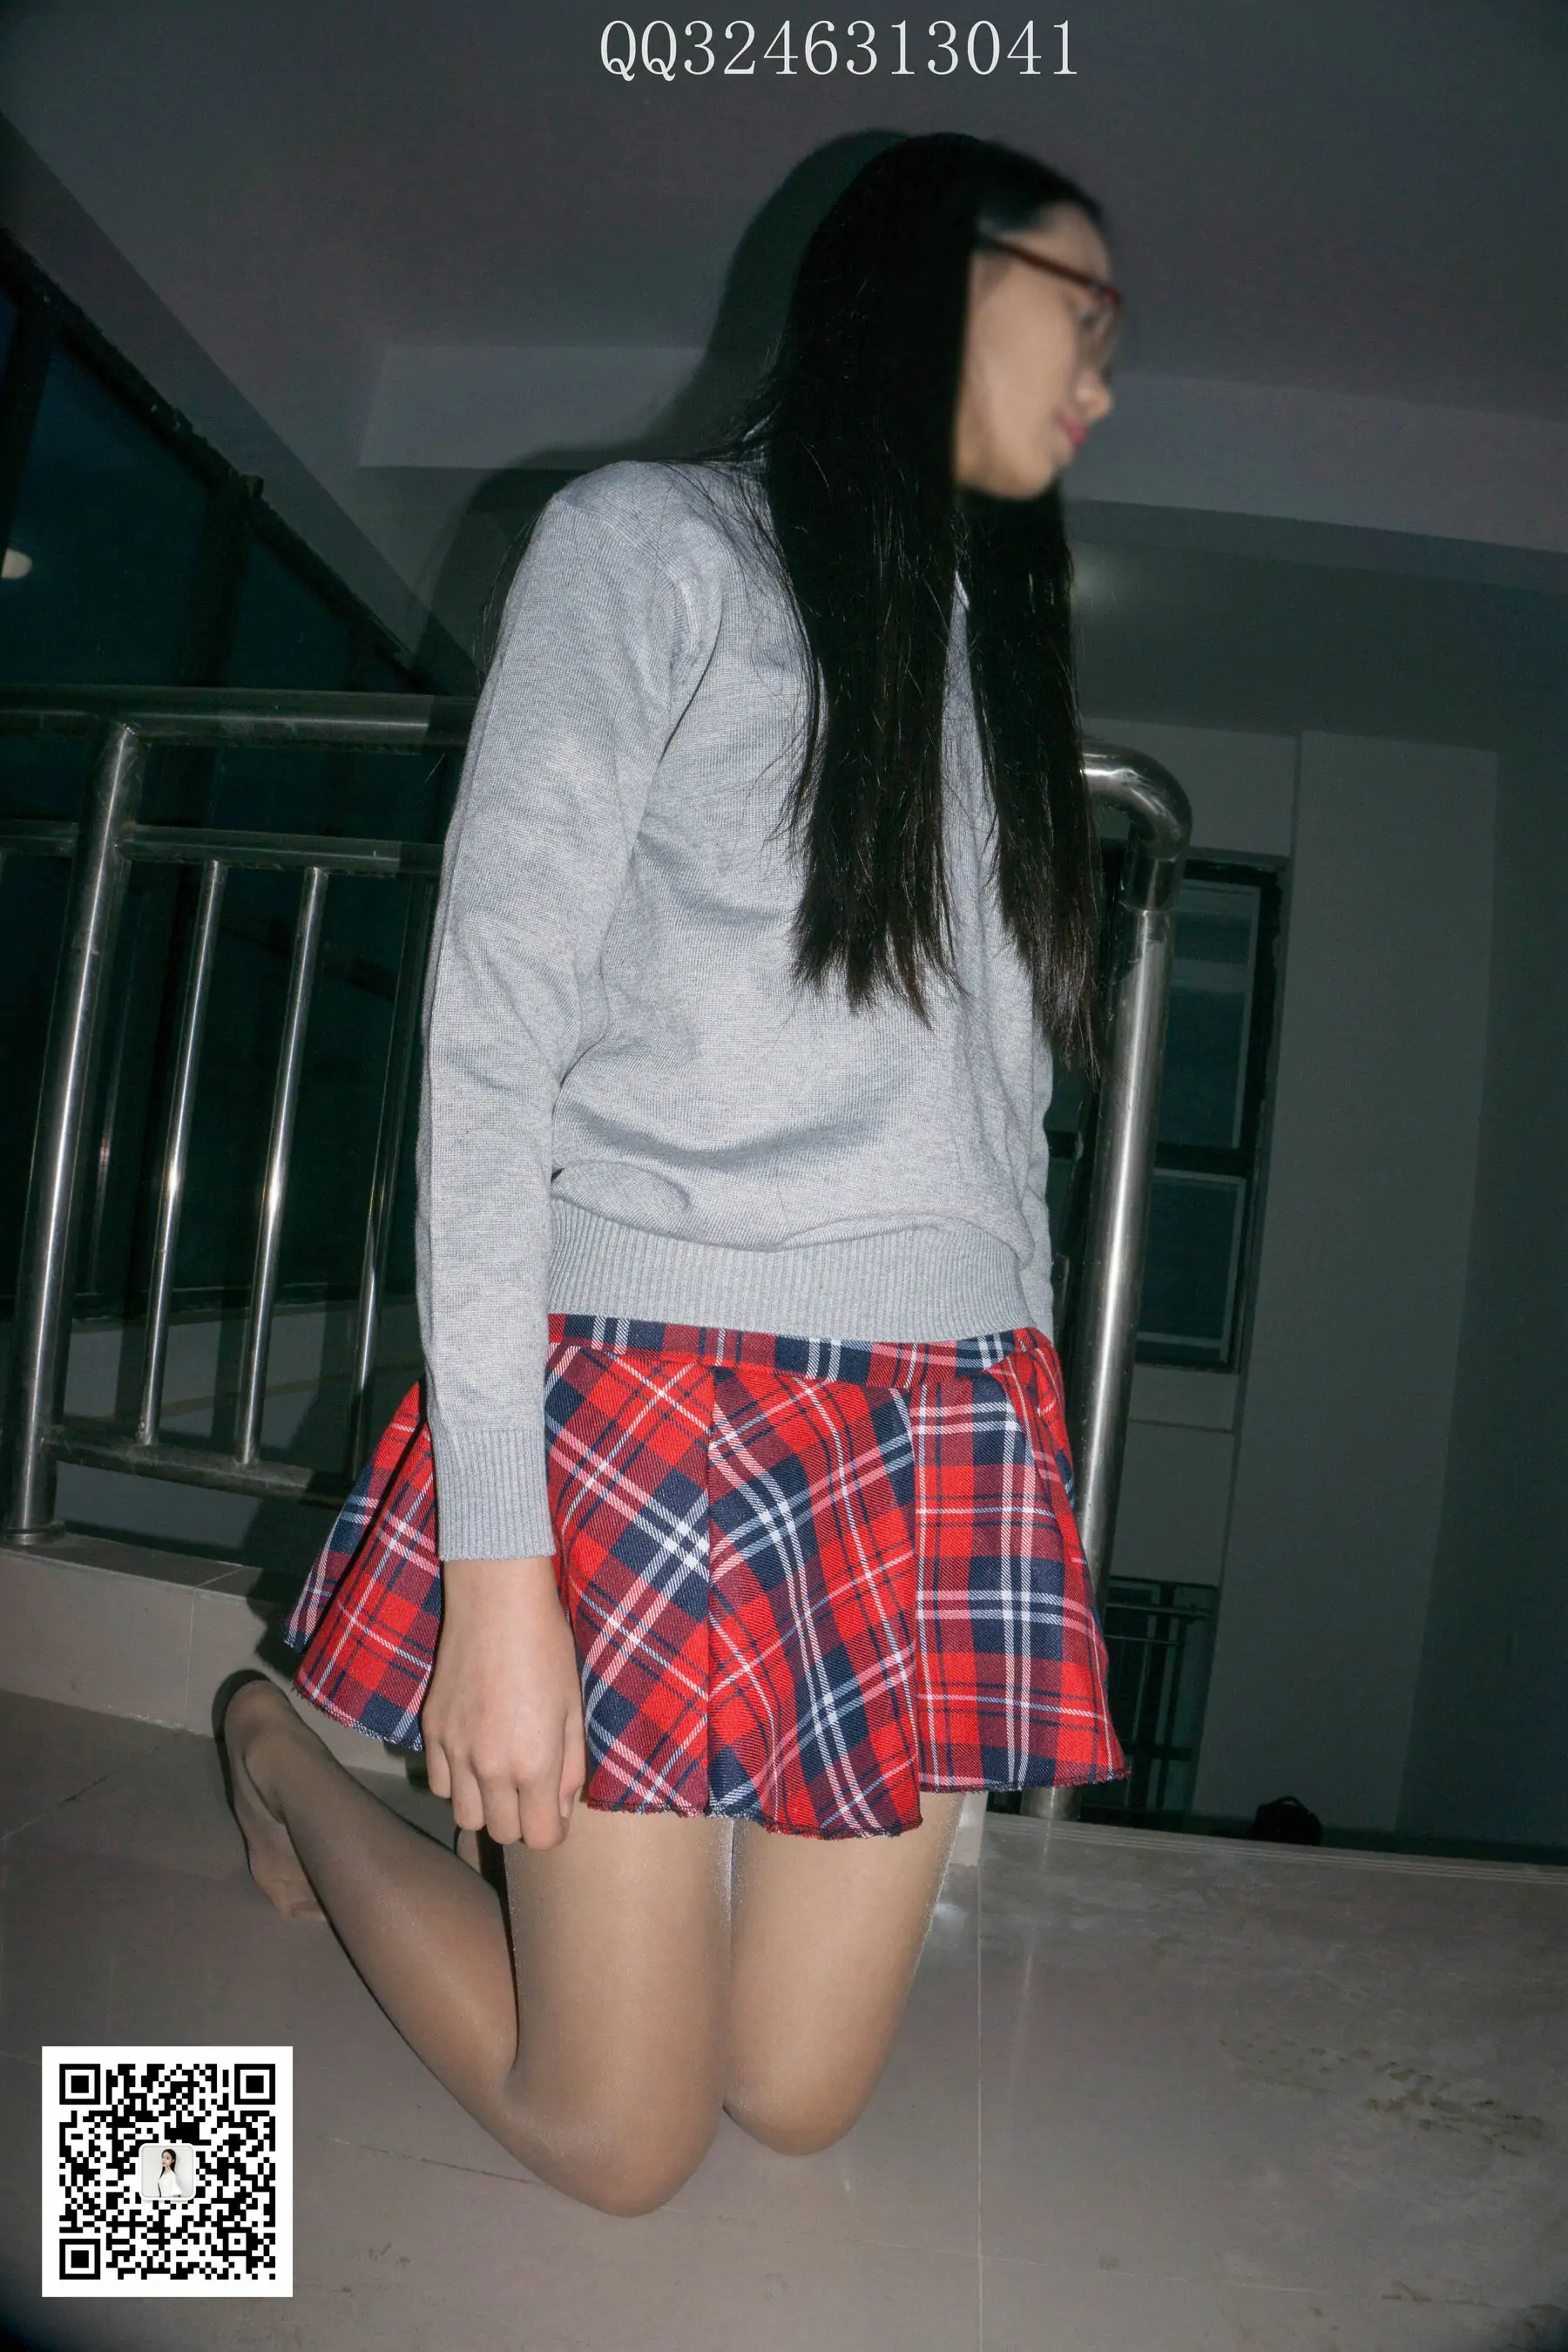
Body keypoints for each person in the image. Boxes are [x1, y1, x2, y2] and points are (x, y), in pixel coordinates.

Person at [219, 130, 1125, 2218]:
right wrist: (500, 1572)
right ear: (925, 285)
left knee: (790, 2097)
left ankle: (557, 1870)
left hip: (933, 1416)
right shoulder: (653, 546)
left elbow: (1002, 1119)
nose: (1101, 381)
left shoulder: (991, 660)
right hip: (653, 1385)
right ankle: (278, 1758)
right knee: (620, 2136)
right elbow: (489, 1043)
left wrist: (1014, 1476)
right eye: (1074, 316)